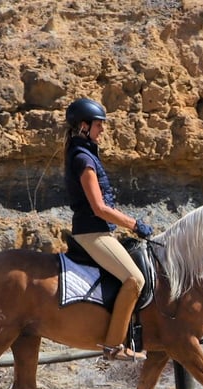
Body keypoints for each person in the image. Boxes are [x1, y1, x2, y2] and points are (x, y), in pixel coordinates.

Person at [64, 97, 154, 361]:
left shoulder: (86, 153)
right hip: (93, 233)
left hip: (100, 231)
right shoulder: (83, 159)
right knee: (135, 279)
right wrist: (134, 224)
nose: (103, 130)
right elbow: (99, 208)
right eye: (98, 125)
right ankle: (113, 346)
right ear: (84, 126)